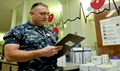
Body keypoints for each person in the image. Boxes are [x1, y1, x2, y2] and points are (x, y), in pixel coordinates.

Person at [3, 2, 62, 71]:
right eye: (42, 14)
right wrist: (40, 52)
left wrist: (61, 50)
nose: (46, 17)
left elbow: (54, 52)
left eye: (47, 14)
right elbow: (9, 56)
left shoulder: (51, 33)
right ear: (31, 14)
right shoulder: (19, 30)